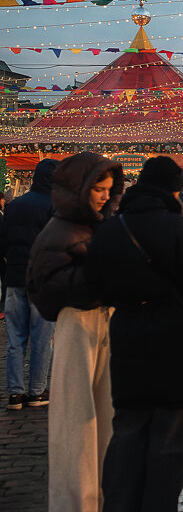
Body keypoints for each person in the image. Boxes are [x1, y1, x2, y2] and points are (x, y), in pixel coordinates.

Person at [84, 156, 183, 509]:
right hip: (178, 339)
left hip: (128, 334)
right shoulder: (178, 228)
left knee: (128, 430)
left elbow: (92, 282)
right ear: (173, 190)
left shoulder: (111, 228)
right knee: (172, 438)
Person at [26, 152, 122, 512]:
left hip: (102, 321)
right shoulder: (61, 229)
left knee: (103, 418)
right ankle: (76, 503)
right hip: (78, 323)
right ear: (78, 188)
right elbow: (46, 286)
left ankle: (100, 496)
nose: (103, 195)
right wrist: (102, 273)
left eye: (108, 189)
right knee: (76, 424)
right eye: (98, 188)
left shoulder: (95, 224)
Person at [2, 158, 58, 410]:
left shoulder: (15, 206)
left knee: (15, 338)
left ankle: (15, 393)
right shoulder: (54, 206)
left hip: (14, 277)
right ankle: (36, 391)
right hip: (42, 279)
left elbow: (3, 241)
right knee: (41, 336)